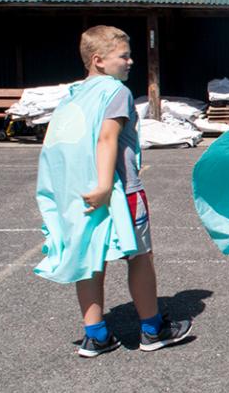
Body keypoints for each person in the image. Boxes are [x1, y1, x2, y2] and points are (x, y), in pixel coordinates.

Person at [36, 25, 192, 357]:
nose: (131, 61)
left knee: (90, 259)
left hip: (82, 193)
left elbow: (59, 146)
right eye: (124, 55)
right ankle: (152, 329)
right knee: (140, 257)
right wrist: (106, 185)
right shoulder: (115, 91)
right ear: (99, 61)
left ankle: (96, 335)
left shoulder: (74, 94)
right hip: (120, 190)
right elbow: (107, 138)